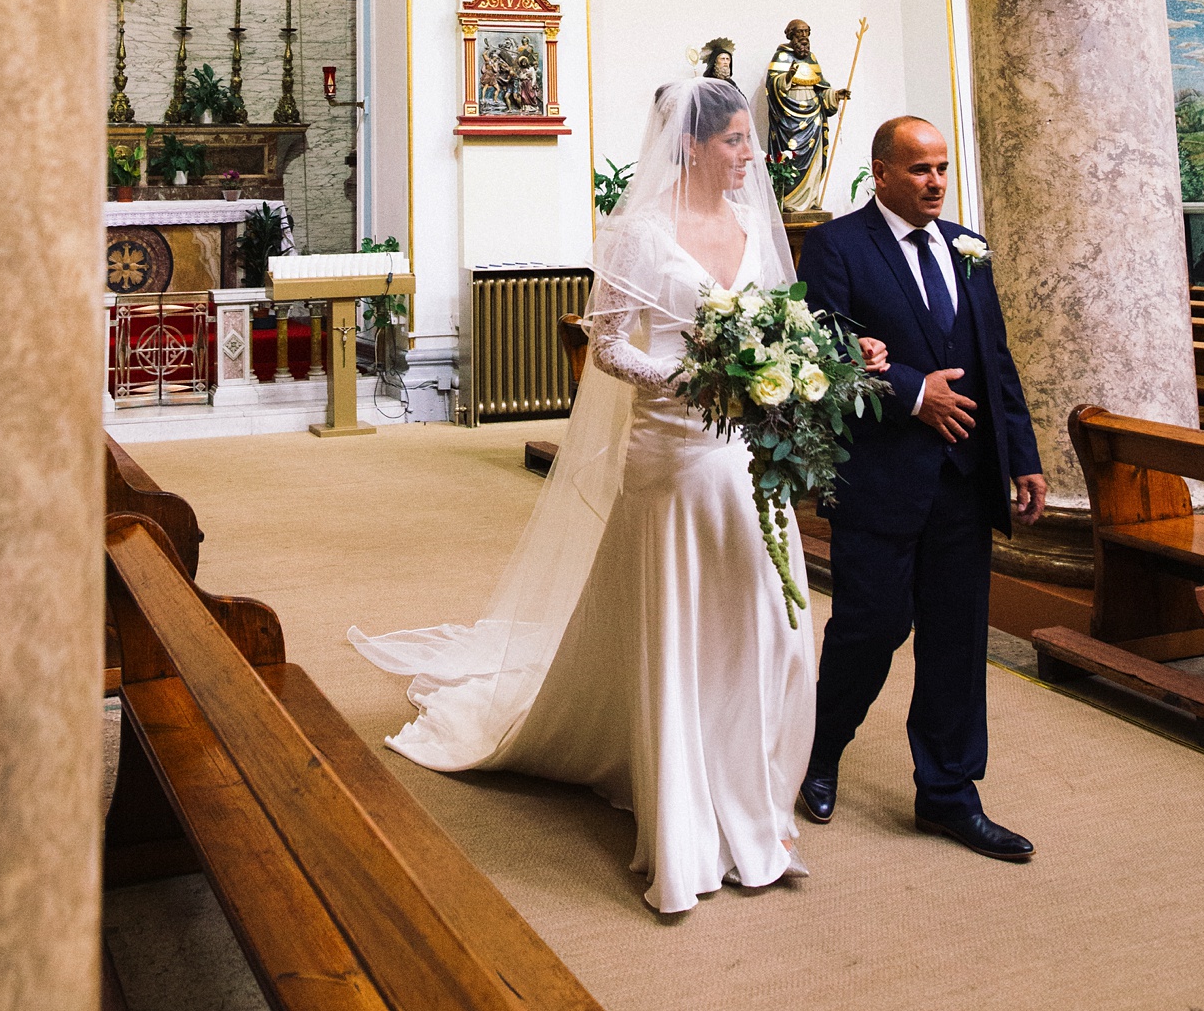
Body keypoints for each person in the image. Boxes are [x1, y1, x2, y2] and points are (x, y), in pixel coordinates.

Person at [351, 78, 889, 913]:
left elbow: (785, 326)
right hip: (672, 449)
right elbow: (604, 345)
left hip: (746, 448)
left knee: (768, 621)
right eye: (738, 141)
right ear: (693, 146)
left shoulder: (753, 226)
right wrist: (696, 378)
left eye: (752, 139)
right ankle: (683, 809)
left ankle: (752, 791)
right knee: (681, 618)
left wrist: (807, 368)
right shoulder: (639, 232)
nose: (754, 154)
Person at [796, 116, 1046, 862]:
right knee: (870, 627)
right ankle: (820, 746)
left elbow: (993, 359)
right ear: (880, 173)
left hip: (964, 478)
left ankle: (949, 793)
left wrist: (1022, 457)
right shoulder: (838, 245)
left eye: (940, 167)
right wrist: (911, 392)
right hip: (880, 475)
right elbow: (823, 345)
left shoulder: (968, 248)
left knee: (958, 639)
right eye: (919, 169)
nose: (935, 180)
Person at [765, 20, 848, 213]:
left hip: (813, 118)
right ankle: (790, 201)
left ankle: (810, 200)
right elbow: (773, 86)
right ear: (791, 36)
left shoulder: (811, 58)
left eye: (806, 33)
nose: (803, 38)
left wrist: (835, 95)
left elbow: (821, 88)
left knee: (813, 158)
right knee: (792, 156)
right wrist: (787, 77)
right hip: (789, 119)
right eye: (799, 34)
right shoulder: (781, 57)